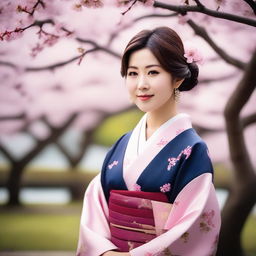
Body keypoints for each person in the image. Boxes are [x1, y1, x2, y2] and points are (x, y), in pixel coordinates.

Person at [76, 26, 221, 256]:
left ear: (177, 78)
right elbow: (95, 209)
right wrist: (104, 251)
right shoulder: (121, 145)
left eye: (152, 72)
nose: (141, 84)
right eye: (133, 73)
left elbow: (194, 226)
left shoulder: (192, 150)